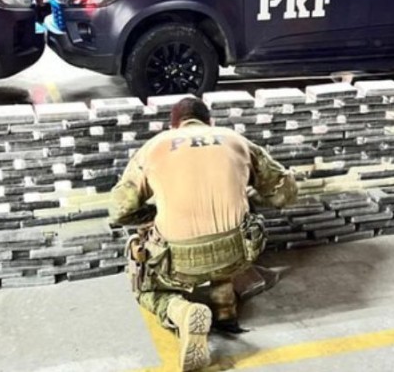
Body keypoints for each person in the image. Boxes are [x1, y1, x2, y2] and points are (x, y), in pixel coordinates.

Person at [110, 97, 297, 371]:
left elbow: (118, 210)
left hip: (179, 262)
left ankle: (181, 312)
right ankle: (225, 307)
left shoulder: (154, 147)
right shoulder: (235, 139)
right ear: (210, 122)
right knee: (232, 223)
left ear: (173, 126)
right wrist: (249, 197)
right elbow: (285, 193)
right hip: (238, 253)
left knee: (143, 286)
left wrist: (152, 216)